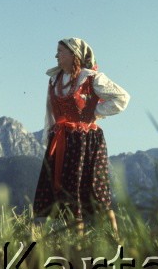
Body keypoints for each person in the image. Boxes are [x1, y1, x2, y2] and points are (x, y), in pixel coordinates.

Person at [33, 38, 129, 236]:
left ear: (73, 55)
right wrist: (48, 138)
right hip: (61, 141)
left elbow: (122, 98)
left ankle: (115, 238)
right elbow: (49, 113)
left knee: (95, 191)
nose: (56, 55)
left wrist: (95, 112)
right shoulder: (54, 80)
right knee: (65, 191)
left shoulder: (91, 77)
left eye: (60, 51)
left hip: (86, 142)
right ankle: (78, 241)